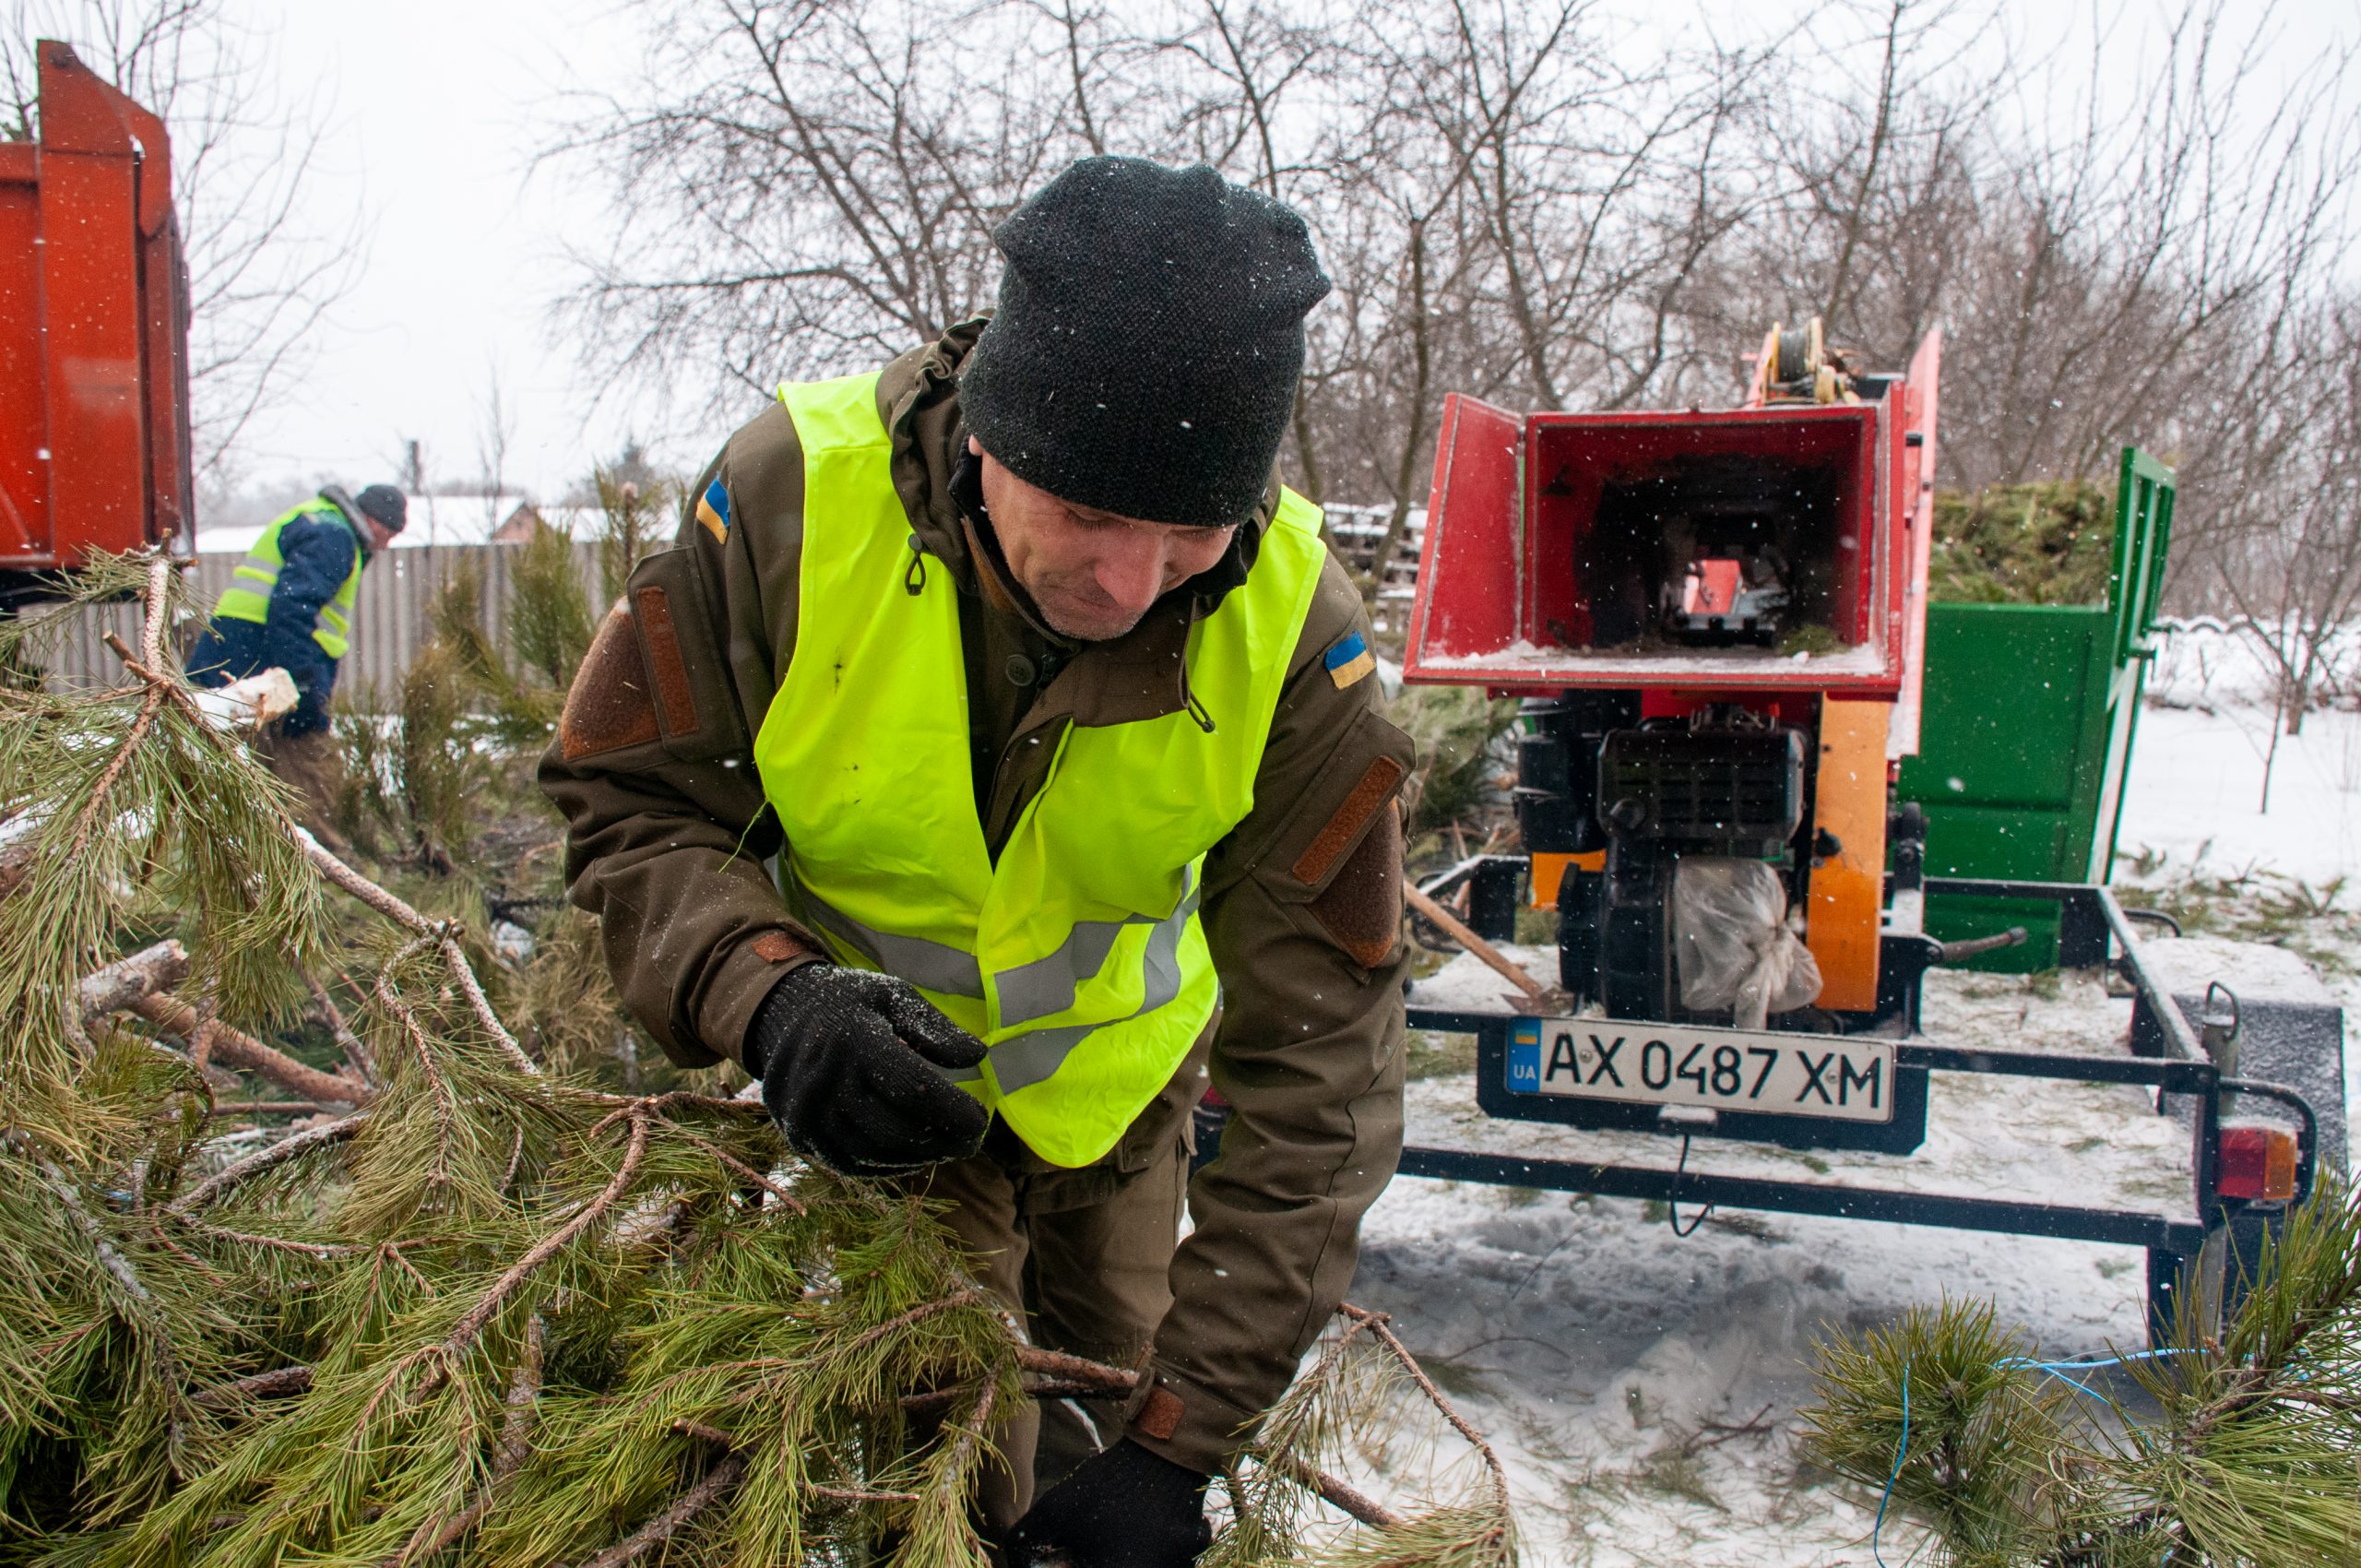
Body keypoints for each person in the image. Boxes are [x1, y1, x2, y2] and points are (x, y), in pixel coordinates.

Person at [542, 157, 1411, 1566]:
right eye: (1087, 514)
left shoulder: (1301, 631)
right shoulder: (783, 500)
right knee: (934, 1493)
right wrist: (768, 993)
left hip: (1116, 1118)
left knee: (1091, 1477)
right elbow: (629, 802)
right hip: (884, 1102)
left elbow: (1327, 1060)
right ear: (990, 440)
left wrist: (1180, 1449)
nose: (1131, 586)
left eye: (1189, 533)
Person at [189, 483, 405, 840]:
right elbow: (291, 608)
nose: (386, 544)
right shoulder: (334, 537)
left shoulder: (319, 521)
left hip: (238, 654)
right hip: (257, 660)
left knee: (235, 769)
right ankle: (322, 870)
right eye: (389, 533)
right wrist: (302, 683)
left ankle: (263, 858)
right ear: (372, 520)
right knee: (307, 766)